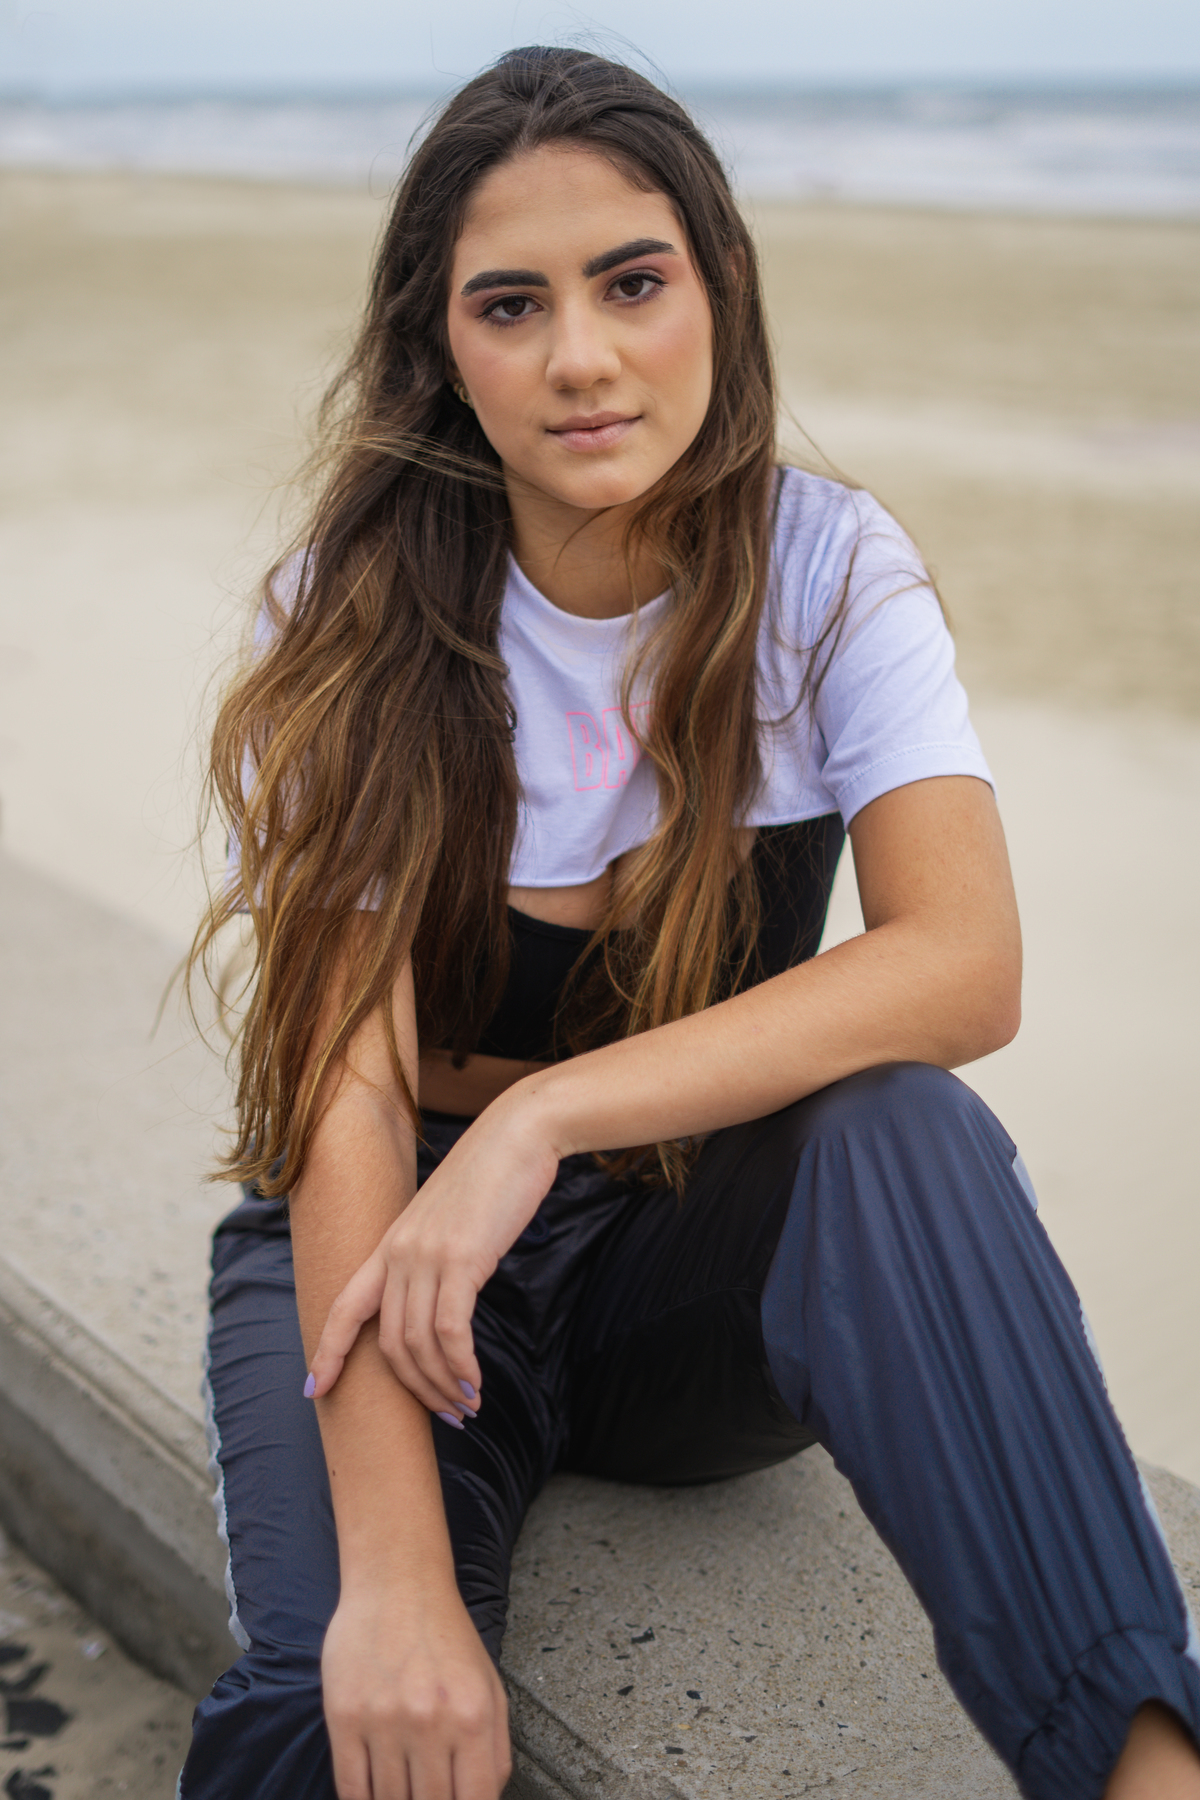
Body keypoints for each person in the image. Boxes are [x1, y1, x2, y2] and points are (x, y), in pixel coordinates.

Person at [180, 46, 1200, 1800]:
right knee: (334, 1715)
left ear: (717, 290)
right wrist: (403, 1589)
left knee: (904, 1122)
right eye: (513, 305)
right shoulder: (349, 613)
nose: (582, 356)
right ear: (443, 350)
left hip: (688, 1269)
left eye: (632, 283)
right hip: (405, 1267)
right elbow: (339, 1095)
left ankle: (1146, 1767)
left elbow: (965, 967)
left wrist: (544, 1112)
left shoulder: (826, 576)